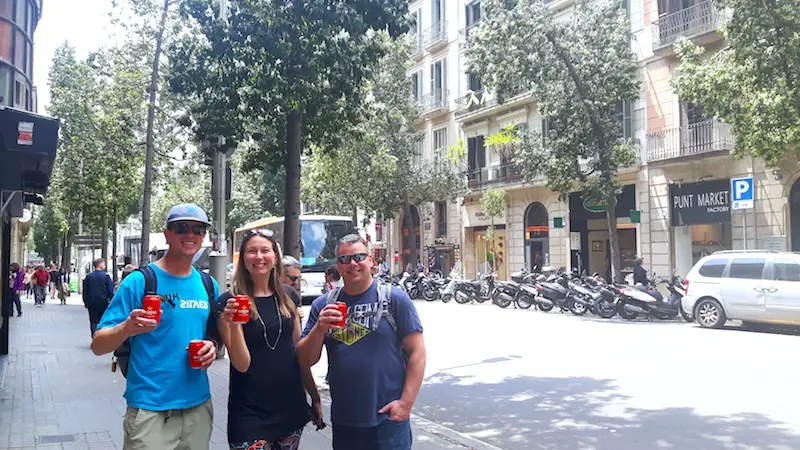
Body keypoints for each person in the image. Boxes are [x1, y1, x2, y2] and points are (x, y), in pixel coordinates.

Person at [90, 203, 219, 450]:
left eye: (198, 229)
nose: (190, 234)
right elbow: (98, 345)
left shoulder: (208, 284)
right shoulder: (139, 281)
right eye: (181, 227)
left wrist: (212, 346)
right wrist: (126, 327)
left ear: (204, 236)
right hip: (150, 409)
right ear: (167, 233)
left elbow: (213, 335)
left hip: (197, 408)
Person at [297, 234, 426, 450]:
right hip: (346, 420)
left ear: (371, 261)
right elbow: (304, 359)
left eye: (359, 257)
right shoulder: (323, 305)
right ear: (338, 265)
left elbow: (418, 353)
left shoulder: (395, 299)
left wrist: (405, 404)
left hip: (388, 419)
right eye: (345, 259)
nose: (353, 264)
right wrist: (319, 328)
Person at [217, 228, 322, 450]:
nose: (259, 257)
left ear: (275, 257)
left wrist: (314, 396)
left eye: (265, 250)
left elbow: (298, 353)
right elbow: (241, 364)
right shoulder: (229, 302)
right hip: (249, 413)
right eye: (251, 251)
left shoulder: (289, 296)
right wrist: (233, 322)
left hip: (290, 406)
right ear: (243, 259)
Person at [82, 258, 114, 337]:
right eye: (104, 264)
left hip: (91, 302)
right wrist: (111, 299)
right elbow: (110, 290)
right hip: (103, 302)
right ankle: (102, 336)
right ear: (99, 264)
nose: (105, 266)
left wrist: (85, 301)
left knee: (93, 320)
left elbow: (85, 290)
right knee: (103, 320)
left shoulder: (89, 276)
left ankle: (94, 336)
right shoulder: (106, 276)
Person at [281, 256, 304, 321]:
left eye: (298, 278)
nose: (296, 283)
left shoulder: (294, 296)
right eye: (293, 279)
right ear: (280, 275)